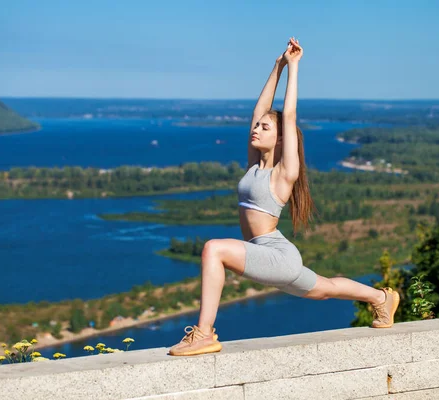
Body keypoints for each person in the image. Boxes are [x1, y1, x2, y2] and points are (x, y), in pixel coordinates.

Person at [168, 38, 399, 357]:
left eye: (264, 128)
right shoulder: (254, 167)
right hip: (267, 254)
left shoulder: (284, 173)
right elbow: (259, 109)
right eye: (257, 127)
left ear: (279, 140)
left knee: (213, 250)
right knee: (325, 289)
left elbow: (287, 115)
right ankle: (380, 298)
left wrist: (295, 67)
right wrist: (277, 65)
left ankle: (205, 334)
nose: (256, 129)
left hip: (275, 255)